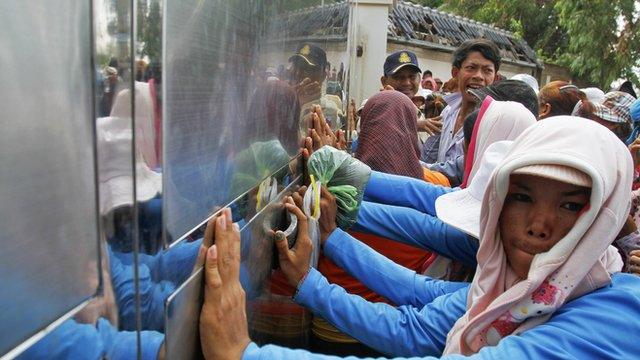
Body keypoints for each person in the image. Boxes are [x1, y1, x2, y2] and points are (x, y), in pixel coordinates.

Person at [199, 116, 640, 359]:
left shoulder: (616, 314)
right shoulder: (511, 292)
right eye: (521, 197)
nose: (538, 224)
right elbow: (415, 312)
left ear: (605, 217)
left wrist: (245, 356)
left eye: (569, 206)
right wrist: (328, 234)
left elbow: (422, 224)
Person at [424, 79, 538, 186]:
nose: (481, 114)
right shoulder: (480, 154)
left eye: (489, 110)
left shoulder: (532, 176)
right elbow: (444, 171)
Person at [420, 39, 501, 173]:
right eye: (471, 68)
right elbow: (429, 154)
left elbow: (459, 170)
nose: (479, 76)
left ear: (495, 78)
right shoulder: (448, 112)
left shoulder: (493, 121)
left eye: (487, 70)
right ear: (455, 73)